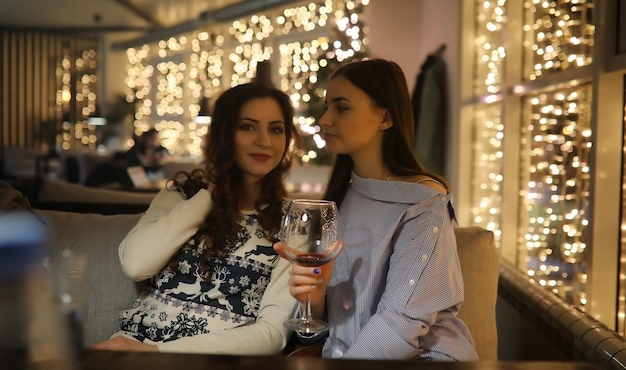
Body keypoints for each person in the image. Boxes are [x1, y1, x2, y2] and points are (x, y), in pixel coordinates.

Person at [274, 58, 479, 361]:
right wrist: (314, 300)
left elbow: (402, 324)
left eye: (341, 108)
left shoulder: (422, 201)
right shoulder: (342, 195)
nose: (325, 120)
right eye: (327, 106)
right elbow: (329, 327)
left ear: (385, 118)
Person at [91, 82, 300, 355]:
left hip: (201, 361)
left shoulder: (293, 221)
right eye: (247, 126)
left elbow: (272, 334)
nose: (265, 141)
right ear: (223, 135)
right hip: (129, 350)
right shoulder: (181, 195)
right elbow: (134, 264)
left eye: (276, 129)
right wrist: (211, 194)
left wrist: (157, 353)